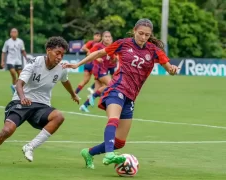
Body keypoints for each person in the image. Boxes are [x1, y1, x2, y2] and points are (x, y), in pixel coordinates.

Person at [64, 19, 178, 169]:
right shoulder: (123, 43)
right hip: (116, 89)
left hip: (131, 97)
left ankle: (88, 153)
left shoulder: (154, 51)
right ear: (134, 30)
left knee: (119, 142)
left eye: (147, 35)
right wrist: (77, 64)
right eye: (141, 33)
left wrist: (173, 70)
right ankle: (109, 155)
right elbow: (99, 52)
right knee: (113, 119)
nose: (143, 37)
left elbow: (169, 69)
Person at [0, 36, 79, 167]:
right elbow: (19, 83)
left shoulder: (62, 68)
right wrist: (22, 97)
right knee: (7, 130)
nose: (59, 57)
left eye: (62, 55)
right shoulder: (34, 62)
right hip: (22, 101)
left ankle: (30, 146)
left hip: (41, 106)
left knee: (59, 117)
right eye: (57, 53)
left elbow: (65, 81)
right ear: (48, 50)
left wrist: (73, 94)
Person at [79, 31, 115, 113]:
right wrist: (96, 58)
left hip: (103, 70)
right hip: (98, 70)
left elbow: (112, 59)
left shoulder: (111, 48)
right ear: (102, 38)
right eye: (106, 36)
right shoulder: (98, 46)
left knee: (97, 90)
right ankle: (93, 96)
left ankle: (84, 105)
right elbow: (89, 53)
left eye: (109, 37)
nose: (108, 38)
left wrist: (115, 59)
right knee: (112, 84)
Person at [74, 31, 101, 97]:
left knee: (85, 80)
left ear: (100, 37)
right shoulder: (92, 43)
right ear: (93, 36)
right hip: (93, 64)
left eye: (98, 36)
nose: (97, 37)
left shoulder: (99, 44)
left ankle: (75, 93)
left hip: (88, 63)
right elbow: (84, 48)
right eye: (96, 35)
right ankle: (93, 92)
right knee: (101, 79)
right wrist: (89, 51)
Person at [1, 28, 27, 94]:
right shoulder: (7, 42)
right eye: (12, 32)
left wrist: (26, 58)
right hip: (10, 60)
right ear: (10, 33)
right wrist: (2, 61)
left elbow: (23, 51)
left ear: (17, 33)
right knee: (13, 73)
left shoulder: (20, 41)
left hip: (18, 60)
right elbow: (3, 52)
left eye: (15, 32)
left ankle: (16, 87)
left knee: (20, 75)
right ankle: (15, 86)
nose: (14, 33)